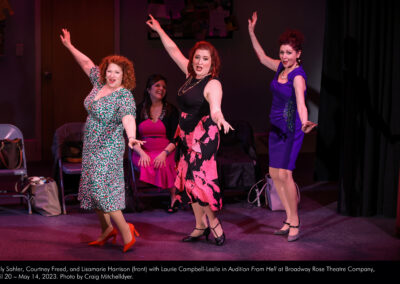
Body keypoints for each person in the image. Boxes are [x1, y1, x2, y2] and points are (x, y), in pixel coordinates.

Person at [146, 14, 233, 246]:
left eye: (205, 59)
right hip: (185, 136)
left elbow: (215, 107)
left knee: (198, 182)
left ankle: (213, 223)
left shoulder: (213, 83)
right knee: (186, 182)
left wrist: (220, 118)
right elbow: (173, 50)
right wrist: (160, 30)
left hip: (204, 138)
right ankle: (199, 225)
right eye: (197, 57)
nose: (199, 62)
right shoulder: (190, 76)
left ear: (212, 62)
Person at [60, 28, 144, 252]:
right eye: (109, 71)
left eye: (117, 72)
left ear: (124, 75)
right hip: (91, 144)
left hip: (109, 146)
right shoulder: (99, 83)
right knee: (91, 188)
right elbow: (86, 63)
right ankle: (106, 230)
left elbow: (128, 117)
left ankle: (126, 232)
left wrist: (132, 137)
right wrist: (69, 45)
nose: (112, 75)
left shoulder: (124, 95)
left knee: (101, 188)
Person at [248, 12, 317, 242]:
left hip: (291, 127)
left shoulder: (297, 76)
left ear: (298, 54)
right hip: (276, 127)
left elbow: (301, 104)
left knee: (286, 174)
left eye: (289, 53)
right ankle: (287, 218)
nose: (285, 56)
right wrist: (251, 32)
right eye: (282, 52)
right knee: (275, 174)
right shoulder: (280, 68)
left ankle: (295, 220)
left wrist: (305, 121)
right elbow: (261, 57)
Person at [131, 74, 180, 213]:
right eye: (157, 85)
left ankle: (173, 197)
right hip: (143, 150)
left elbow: (176, 138)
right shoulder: (138, 110)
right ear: (148, 89)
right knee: (147, 161)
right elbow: (132, 138)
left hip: (166, 149)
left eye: (164, 87)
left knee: (166, 162)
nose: (161, 89)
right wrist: (142, 153)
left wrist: (164, 154)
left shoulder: (171, 110)